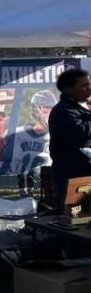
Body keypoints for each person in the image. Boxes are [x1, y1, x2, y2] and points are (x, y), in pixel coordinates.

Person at [49, 69, 91, 207]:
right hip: (73, 174)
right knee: (76, 217)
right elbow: (80, 132)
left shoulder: (82, 107)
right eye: (83, 86)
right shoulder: (62, 111)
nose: (89, 88)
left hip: (86, 171)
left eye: (89, 84)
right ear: (68, 89)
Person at [3, 89, 56, 177]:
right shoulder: (19, 134)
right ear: (36, 109)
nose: (49, 111)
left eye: (51, 108)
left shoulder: (57, 134)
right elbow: (10, 165)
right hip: (22, 182)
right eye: (45, 107)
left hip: (47, 181)